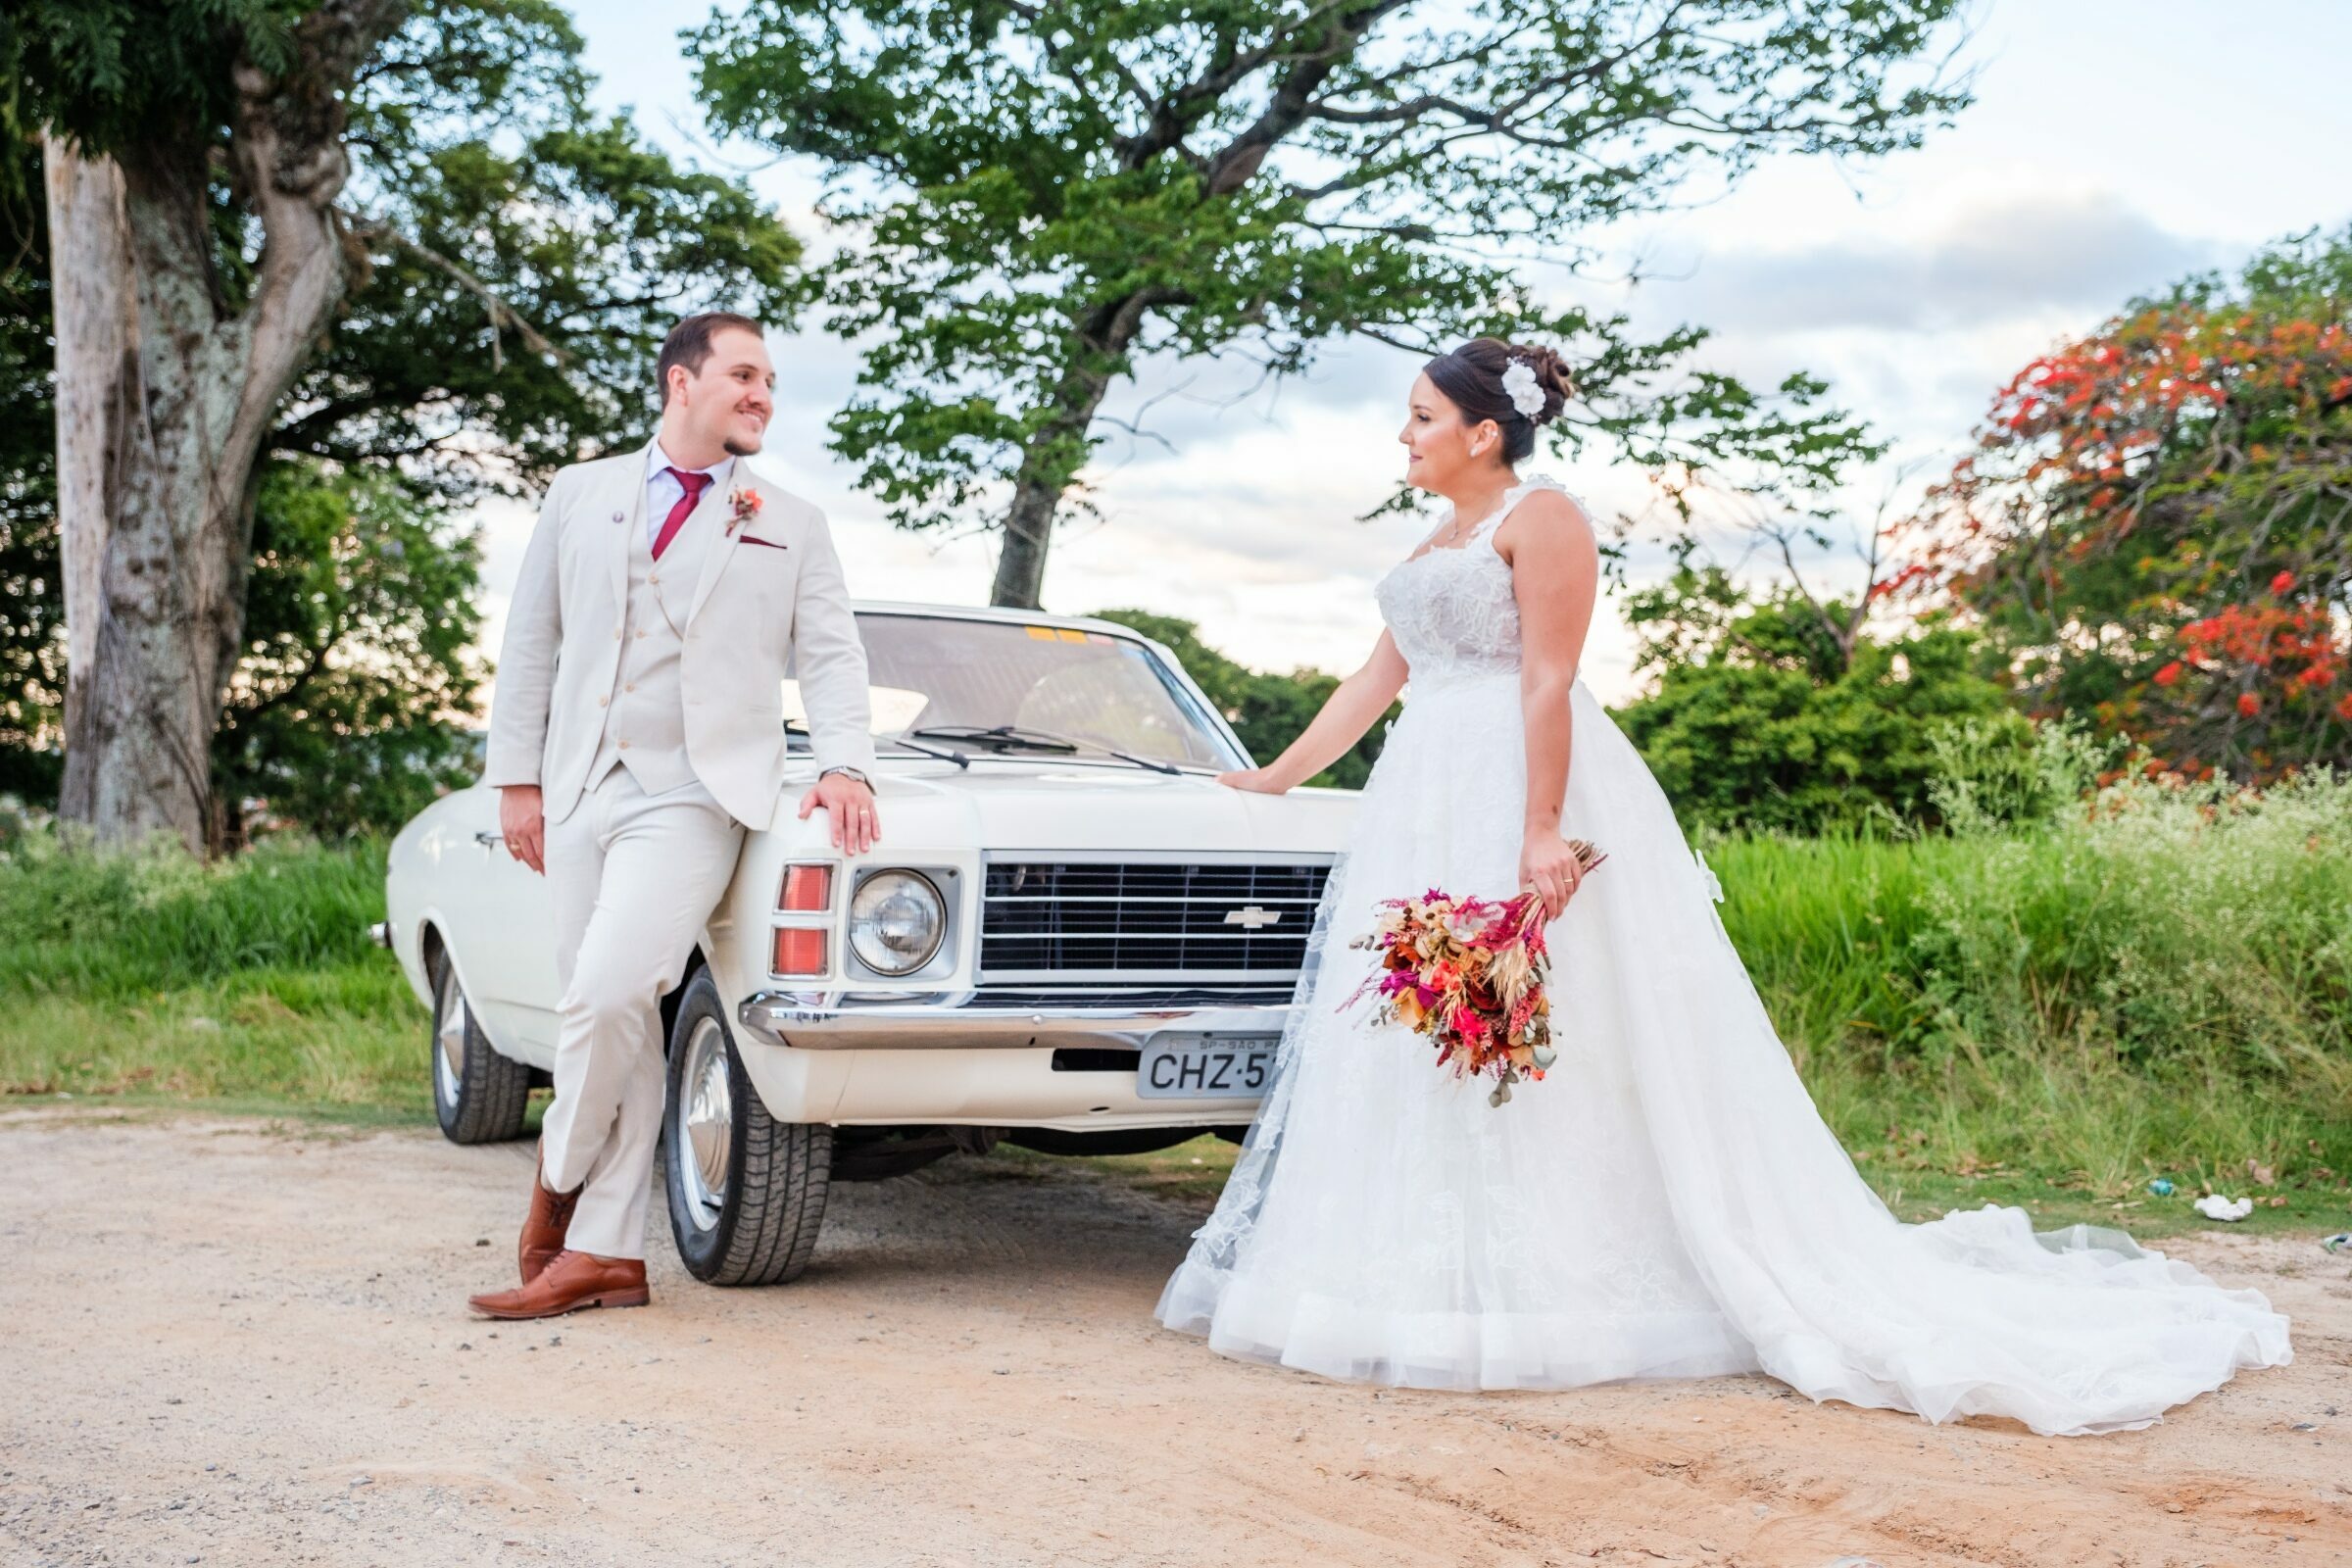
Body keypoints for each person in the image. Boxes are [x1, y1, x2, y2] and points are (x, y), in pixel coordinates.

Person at [1154, 337, 2291, 1435]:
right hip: (1423, 794)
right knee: (1429, 1019)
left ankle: (1560, 1277)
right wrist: (1275, 775)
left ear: (1483, 432)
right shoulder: (1433, 540)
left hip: (1512, 776)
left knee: (1552, 1018)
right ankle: (1415, 1276)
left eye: (1420, 417)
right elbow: (1378, 678)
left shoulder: (1542, 519)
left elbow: (1547, 678)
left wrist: (1541, 827)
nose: (1403, 435)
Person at [466, 312, 880, 1320]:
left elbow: (831, 655)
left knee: (611, 990)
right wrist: (517, 779)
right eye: (744, 374)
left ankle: (554, 1182)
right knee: (620, 1024)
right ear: (680, 382)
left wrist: (845, 766)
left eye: (770, 382)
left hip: (698, 791)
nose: (762, 395)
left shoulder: (792, 521)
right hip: (580, 784)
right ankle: (607, 1255)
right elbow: (532, 639)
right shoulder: (580, 492)